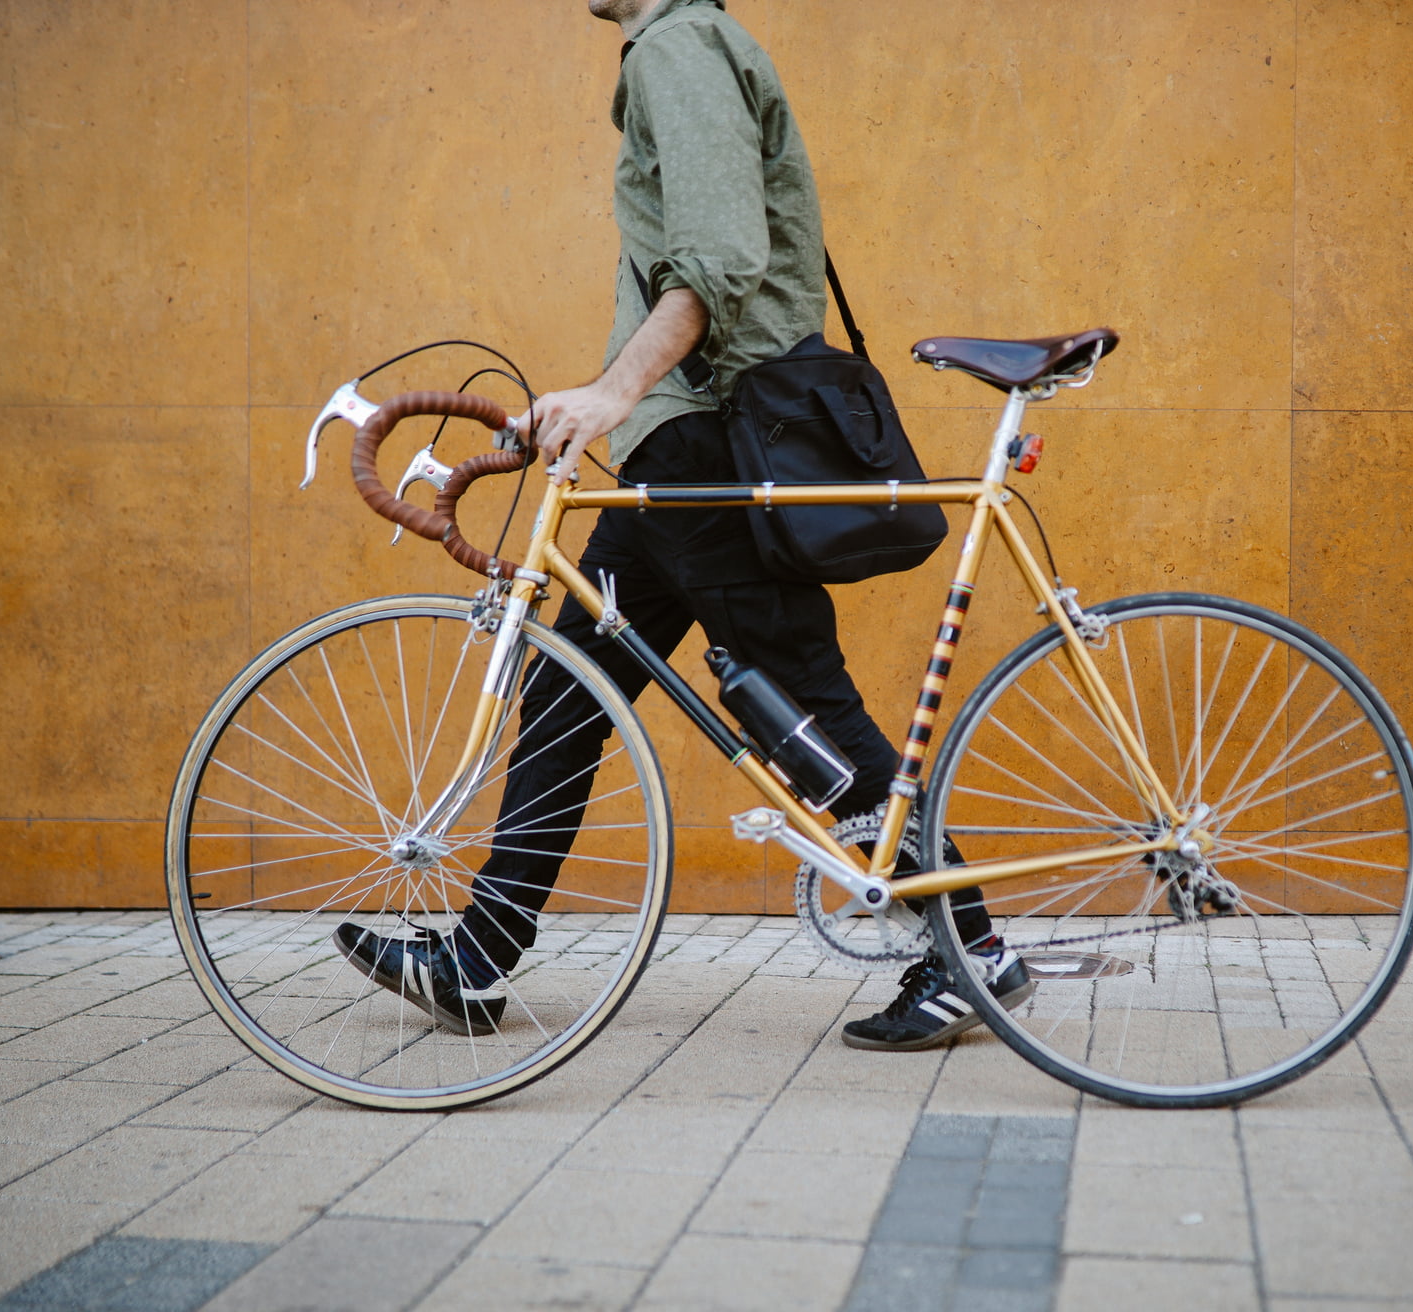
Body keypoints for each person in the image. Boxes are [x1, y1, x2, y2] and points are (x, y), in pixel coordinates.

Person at [334, 0, 1030, 1050]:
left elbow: (718, 255)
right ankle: (479, 954)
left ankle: (971, 945)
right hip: (678, 442)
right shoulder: (676, 50)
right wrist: (602, 401)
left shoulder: (678, 45)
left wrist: (614, 391)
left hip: (709, 442)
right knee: (568, 691)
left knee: (798, 700)